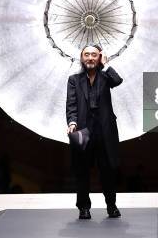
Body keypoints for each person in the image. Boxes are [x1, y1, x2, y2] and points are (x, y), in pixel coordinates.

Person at [66, 44, 123, 220]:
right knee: (81, 171)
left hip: (104, 130)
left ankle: (111, 206)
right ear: (82, 58)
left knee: (108, 170)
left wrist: (106, 65)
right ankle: (83, 208)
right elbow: (71, 104)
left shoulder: (106, 77)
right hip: (83, 130)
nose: (90, 58)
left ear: (99, 57)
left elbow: (118, 81)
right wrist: (72, 122)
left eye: (94, 55)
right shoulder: (74, 79)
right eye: (86, 55)